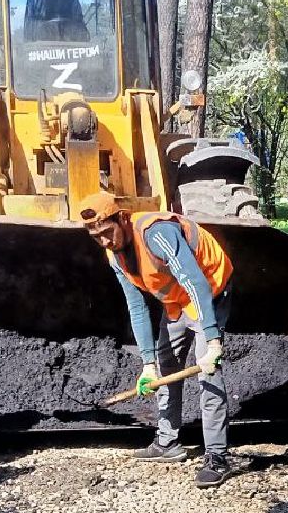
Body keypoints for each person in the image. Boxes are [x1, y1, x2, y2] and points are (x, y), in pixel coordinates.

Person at [77, 190, 235, 489]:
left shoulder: (157, 232)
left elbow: (195, 281)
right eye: (96, 237)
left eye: (107, 232)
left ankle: (217, 457)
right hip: (176, 301)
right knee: (166, 364)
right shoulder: (115, 256)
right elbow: (136, 307)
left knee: (208, 372)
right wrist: (147, 363)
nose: (105, 241)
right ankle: (167, 442)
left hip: (209, 292)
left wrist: (213, 341)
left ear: (122, 219)